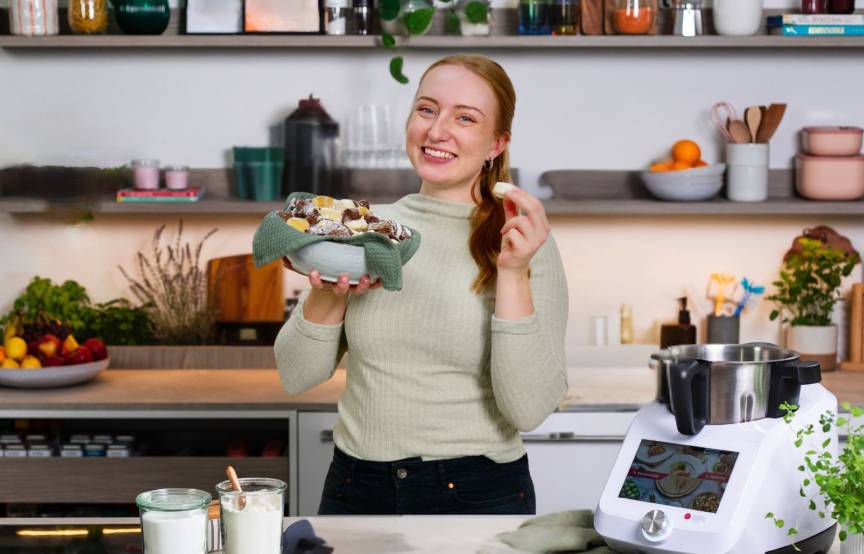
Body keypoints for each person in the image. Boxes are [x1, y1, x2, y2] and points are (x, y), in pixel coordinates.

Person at [276, 54, 569, 515]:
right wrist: (328, 290)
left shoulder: (520, 241)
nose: (436, 131)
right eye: (426, 109)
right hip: (356, 485)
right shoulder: (368, 226)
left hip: (475, 490)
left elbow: (528, 410)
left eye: (465, 118)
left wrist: (512, 273)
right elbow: (296, 375)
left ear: (496, 143)